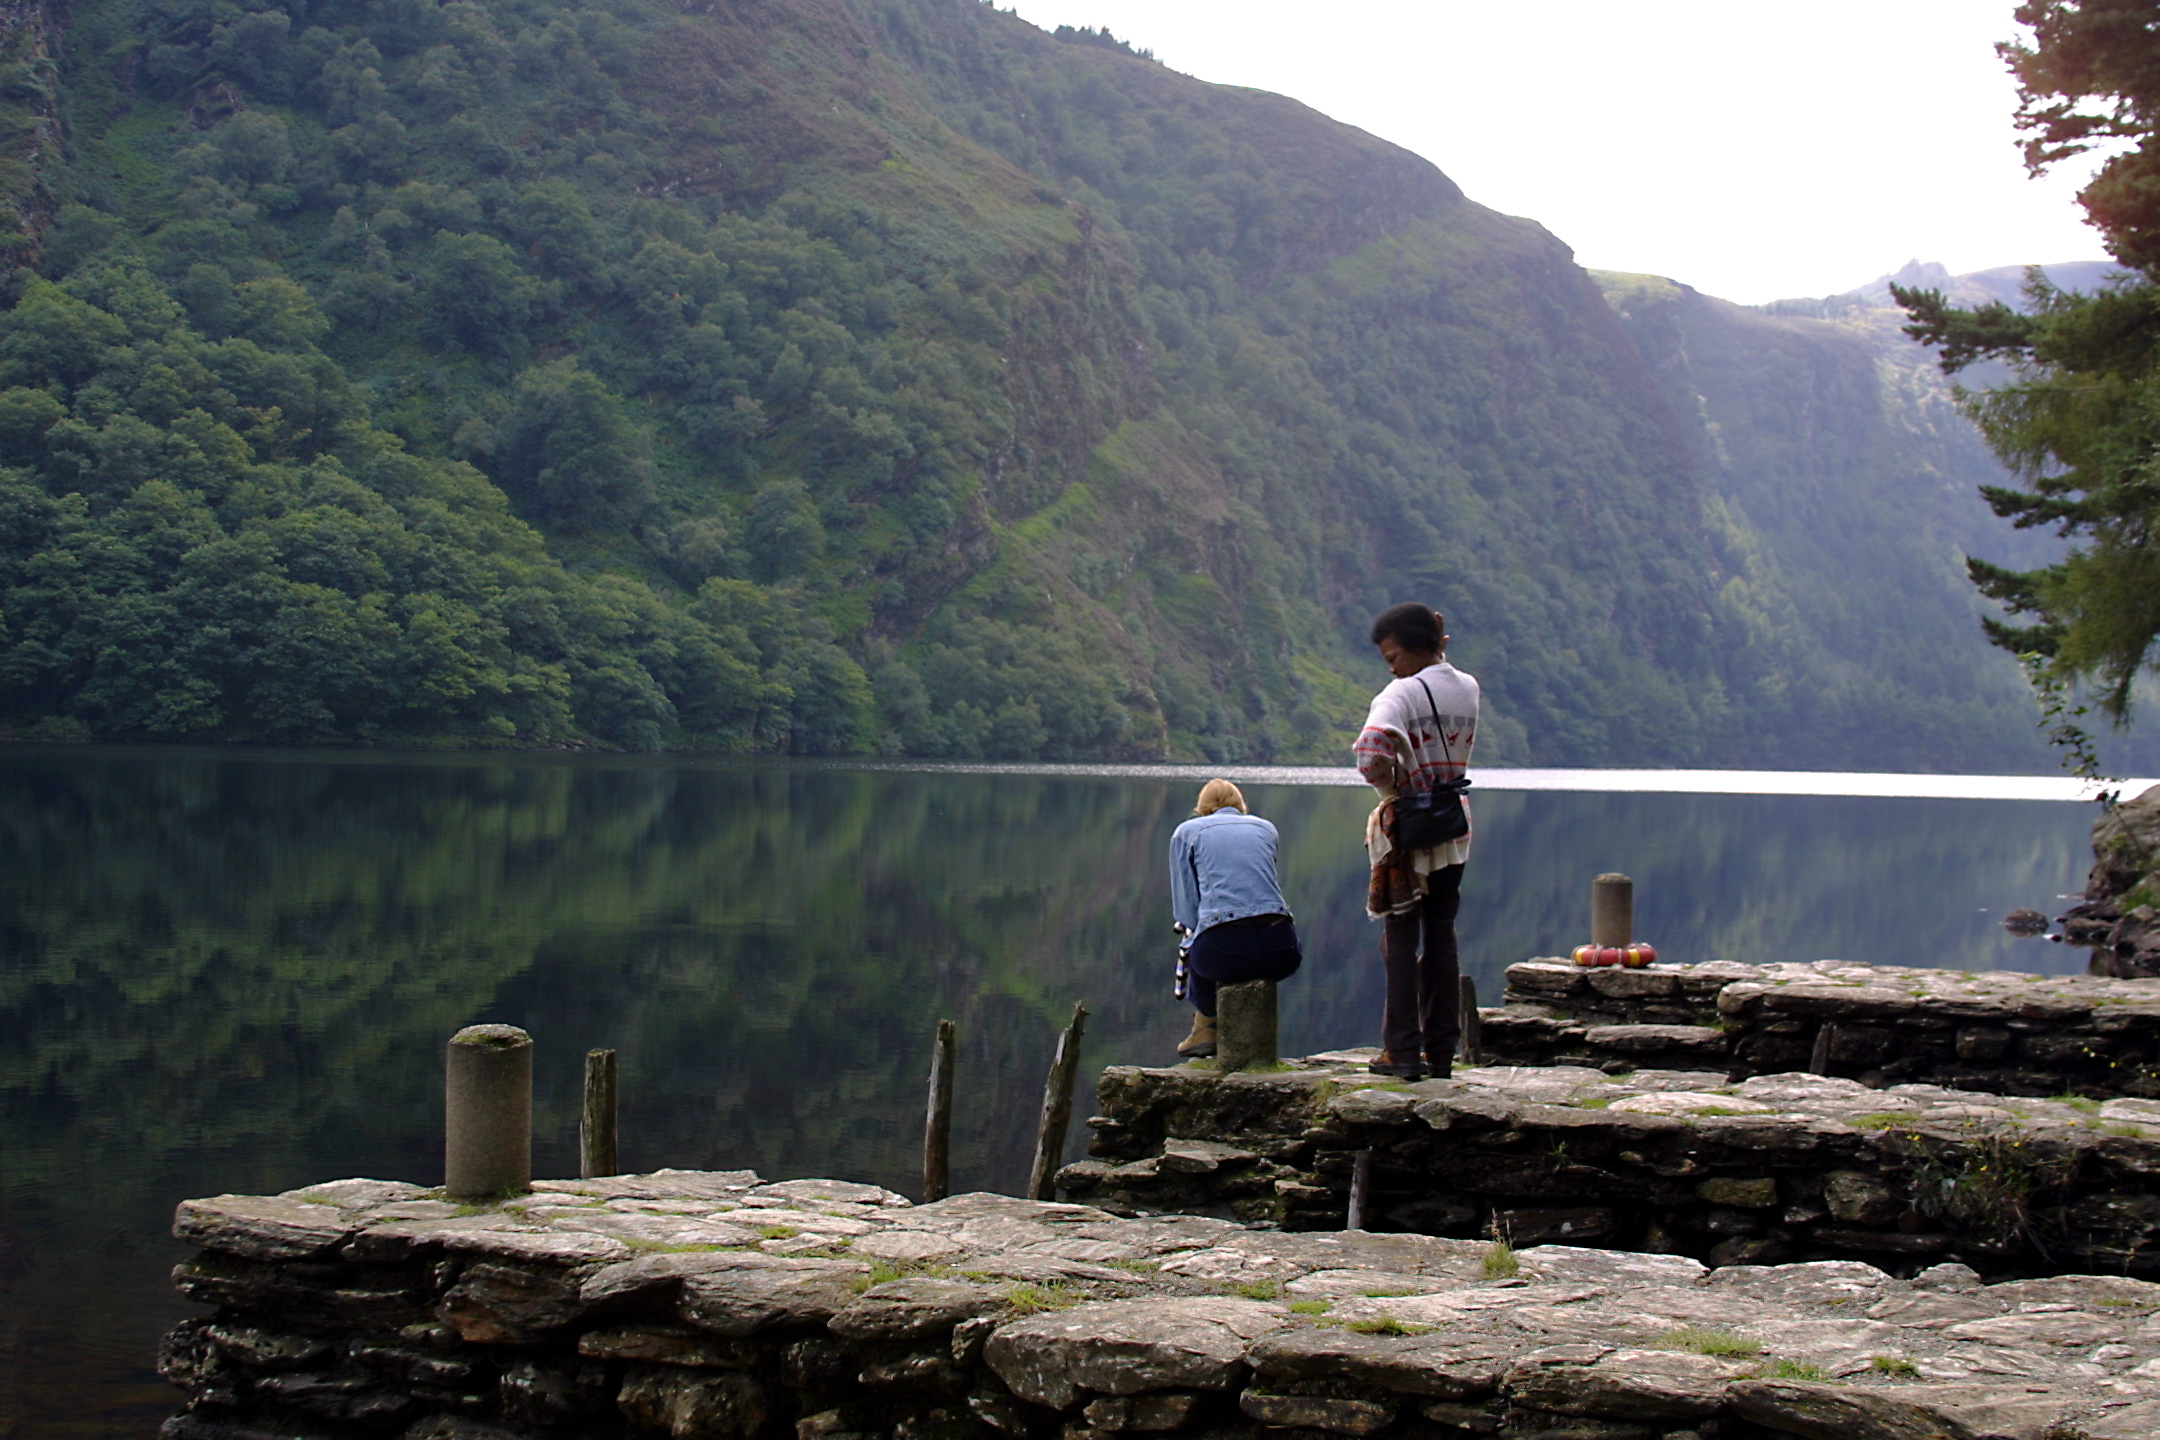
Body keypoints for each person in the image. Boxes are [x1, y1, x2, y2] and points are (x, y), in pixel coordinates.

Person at [1355, 603, 1479, 1079]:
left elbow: (1370, 752)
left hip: (1410, 828)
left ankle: (1402, 1050)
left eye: (1393, 656)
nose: (1391, 667)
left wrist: (1389, 788)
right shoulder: (1468, 687)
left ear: (1413, 648)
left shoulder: (1400, 693)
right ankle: (1442, 1052)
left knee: (1400, 938)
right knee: (1442, 934)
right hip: (1453, 823)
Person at [1167, 779, 1303, 1059]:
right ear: (1241, 805)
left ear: (1201, 808)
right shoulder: (1265, 828)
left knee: (1201, 938)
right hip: (1282, 949)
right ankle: (1212, 1029)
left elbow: (1186, 911)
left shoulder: (1186, 833)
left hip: (1222, 953)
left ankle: (1205, 1024)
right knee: (1226, 935)